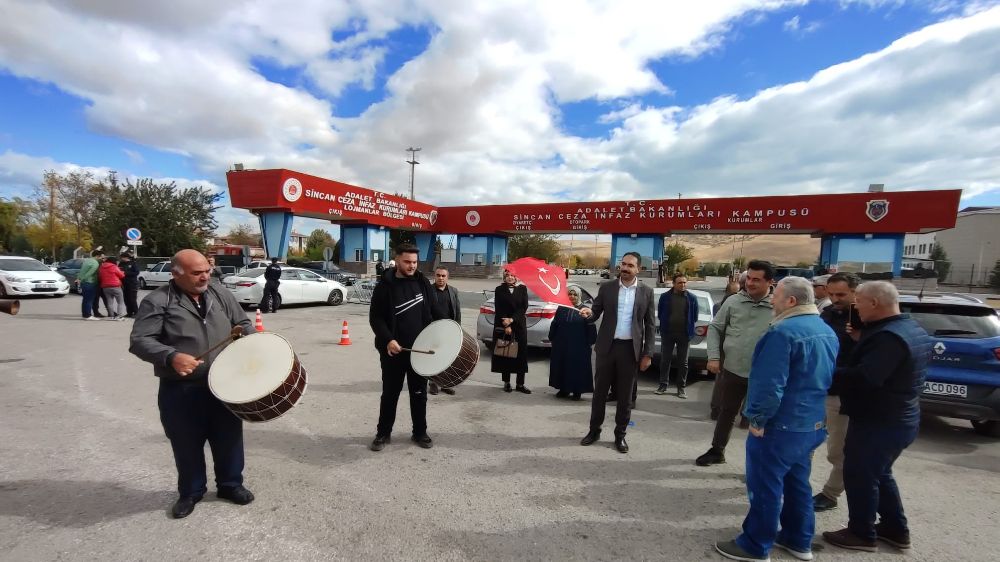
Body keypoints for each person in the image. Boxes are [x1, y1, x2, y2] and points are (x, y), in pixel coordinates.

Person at [714, 276, 838, 562]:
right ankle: (798, 540)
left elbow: (769, 384)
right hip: (811, 423)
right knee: (798, 483)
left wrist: (757, 419)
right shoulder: (825, 329)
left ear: (791, 301)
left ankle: (755, 545)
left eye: (777, 296)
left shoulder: (781, 333)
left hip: (780, 425)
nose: (772, 300)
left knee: (765, 486)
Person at [128, 249, 255, 519]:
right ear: (177, 274)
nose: (205, 276)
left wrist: (251, 342)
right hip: (181, 389)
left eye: (207, 270)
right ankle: (191, 492)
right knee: (186, 442)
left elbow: (243, 322)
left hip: (224, 385)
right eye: (197, 273)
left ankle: (231, 485)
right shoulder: (157, 300)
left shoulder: (220, 293)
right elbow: (140, 341)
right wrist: (170, 356)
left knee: (229, 438)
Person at [823, 281, 931, 553]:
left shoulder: (888, 338)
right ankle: (895, 529)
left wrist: (825, 373)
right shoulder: (908, 328)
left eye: (858, 301)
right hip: (897, 418)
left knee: (860, 475)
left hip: (880, 420)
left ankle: (861, 533)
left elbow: (867, 377)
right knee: (880, 473)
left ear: (874, 303)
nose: (855, 306)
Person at [697, 260, 775, 467]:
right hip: (733, 370)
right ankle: (717, 450)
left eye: (756, 280)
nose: (750, 283)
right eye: (748, 278)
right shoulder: (733, 301)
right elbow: (715, 328)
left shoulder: (779, 305)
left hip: (764, 376)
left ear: (770, 282)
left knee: (761, 420)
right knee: (726, 412)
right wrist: (713, 357)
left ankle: (759, 464)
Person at [579, 252, 655, 454]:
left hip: (630, 350)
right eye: (623, 264)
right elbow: (596, 311)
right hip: (607, 348)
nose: (626, 268)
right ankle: (594, 431)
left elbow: (650, 325)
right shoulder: (607, 288)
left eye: (630, 265)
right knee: (600, 394)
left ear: (638, 269)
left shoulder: (647, 292)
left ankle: (620, 435)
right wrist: (589, 314)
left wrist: (647, 353)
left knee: (625, 397)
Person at [369, 244, 436, 451]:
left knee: (419, 394)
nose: (411, 266)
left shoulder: (423, 282)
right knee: (390, 393)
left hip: (419, 352)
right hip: (393, 352)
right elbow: (376, 317)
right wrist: (388, 339)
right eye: (407, 262)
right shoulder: (385, 285)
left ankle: (420, 432)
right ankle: (383, 433)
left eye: (414, 262)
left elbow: (433, 311)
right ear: (397, 260)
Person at [813, 272, 861, 512]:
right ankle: (794, 482)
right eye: (831, 294)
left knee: (838, 450)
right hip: (818, 388)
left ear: (855, 291)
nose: (835, 299)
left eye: (840, 294)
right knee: (805, 440)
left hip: (842, 394)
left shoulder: (865, 319)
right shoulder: (827, 314)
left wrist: (859, 337)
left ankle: (831, 494)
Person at [655, 273, 698, 399]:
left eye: (685, 282)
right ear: (674, 284)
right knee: (665, 360)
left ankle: (681, 388)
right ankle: (663, 385)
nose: (683, 285)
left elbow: (694, 316)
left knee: (683, 362)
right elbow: (661, 313)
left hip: (684, 335)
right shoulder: (665, 297)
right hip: (668, 333)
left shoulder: (692, 298)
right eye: (680, 282)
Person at [548, 287, 595, 400]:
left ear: (579, 296)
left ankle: (577, 391)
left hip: (579, 345)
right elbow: (555, 323)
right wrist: (552, 336)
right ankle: (563, 389)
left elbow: (591, 325)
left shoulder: (585, 309)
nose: (572, 296)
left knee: (576, 367)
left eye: (575, 294)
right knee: (563, 365)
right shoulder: (562, 308)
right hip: (562, 344)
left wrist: (590, 341)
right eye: (570, 294)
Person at [491, 269, 531, 394]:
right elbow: (499, 307)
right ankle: (506, 382)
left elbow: (523, 307)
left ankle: (520, 384)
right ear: (504, 277)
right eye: (507, 275)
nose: (510, 277)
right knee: (506, 354)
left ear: (516, 277)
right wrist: (506, 324)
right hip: (504, 325)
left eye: (513, 275)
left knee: (521, 355)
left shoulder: (522, 289)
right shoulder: (499, 289)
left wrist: (512, 320)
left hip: (519, 325)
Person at [428, 266, 461, 396]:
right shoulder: (428, 291)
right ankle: (433, 383)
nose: (440, 278)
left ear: (447, 277)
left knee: (448, 358)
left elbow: (457, 311)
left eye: (443, 276)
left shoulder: (453, 291)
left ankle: (446, 384)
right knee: (434, 357)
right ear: (434, 276)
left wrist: (458, 329)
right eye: (438, 275)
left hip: (449, 329)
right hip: (433, 329)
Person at [77, 249, 104, 320]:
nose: (102, 258)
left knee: (85, 299)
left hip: (84, 283)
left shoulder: (87, 261)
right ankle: (88, 315)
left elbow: (82, 271)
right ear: (98, 256)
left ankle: (85, 314)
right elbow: (90, 273)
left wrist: (79, 278)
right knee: (89, 300)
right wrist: (82, 279)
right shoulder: (95, 263)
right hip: (90, 283)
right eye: (101, 257)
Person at [99, 255, 126, 320]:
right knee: (120, 302)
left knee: (109, 302)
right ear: (113, 261)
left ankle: (111, 316)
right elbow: (122, 275)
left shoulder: (101, 267)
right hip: (115, 286)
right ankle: (119, 316)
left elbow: (100, 276)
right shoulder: (114, 267)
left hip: (105, 287)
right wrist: (122, 272)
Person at [119, 252, 141, 317]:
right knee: (126, 299)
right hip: (124, 284)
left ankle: (136, 312)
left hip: (132, 284)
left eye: (122, 257)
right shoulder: (121, 263)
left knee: (132, 299)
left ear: (126, 257)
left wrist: (125, 273)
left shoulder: (133, 263)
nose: (121, 259)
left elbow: (136, 272)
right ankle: (129, 312)